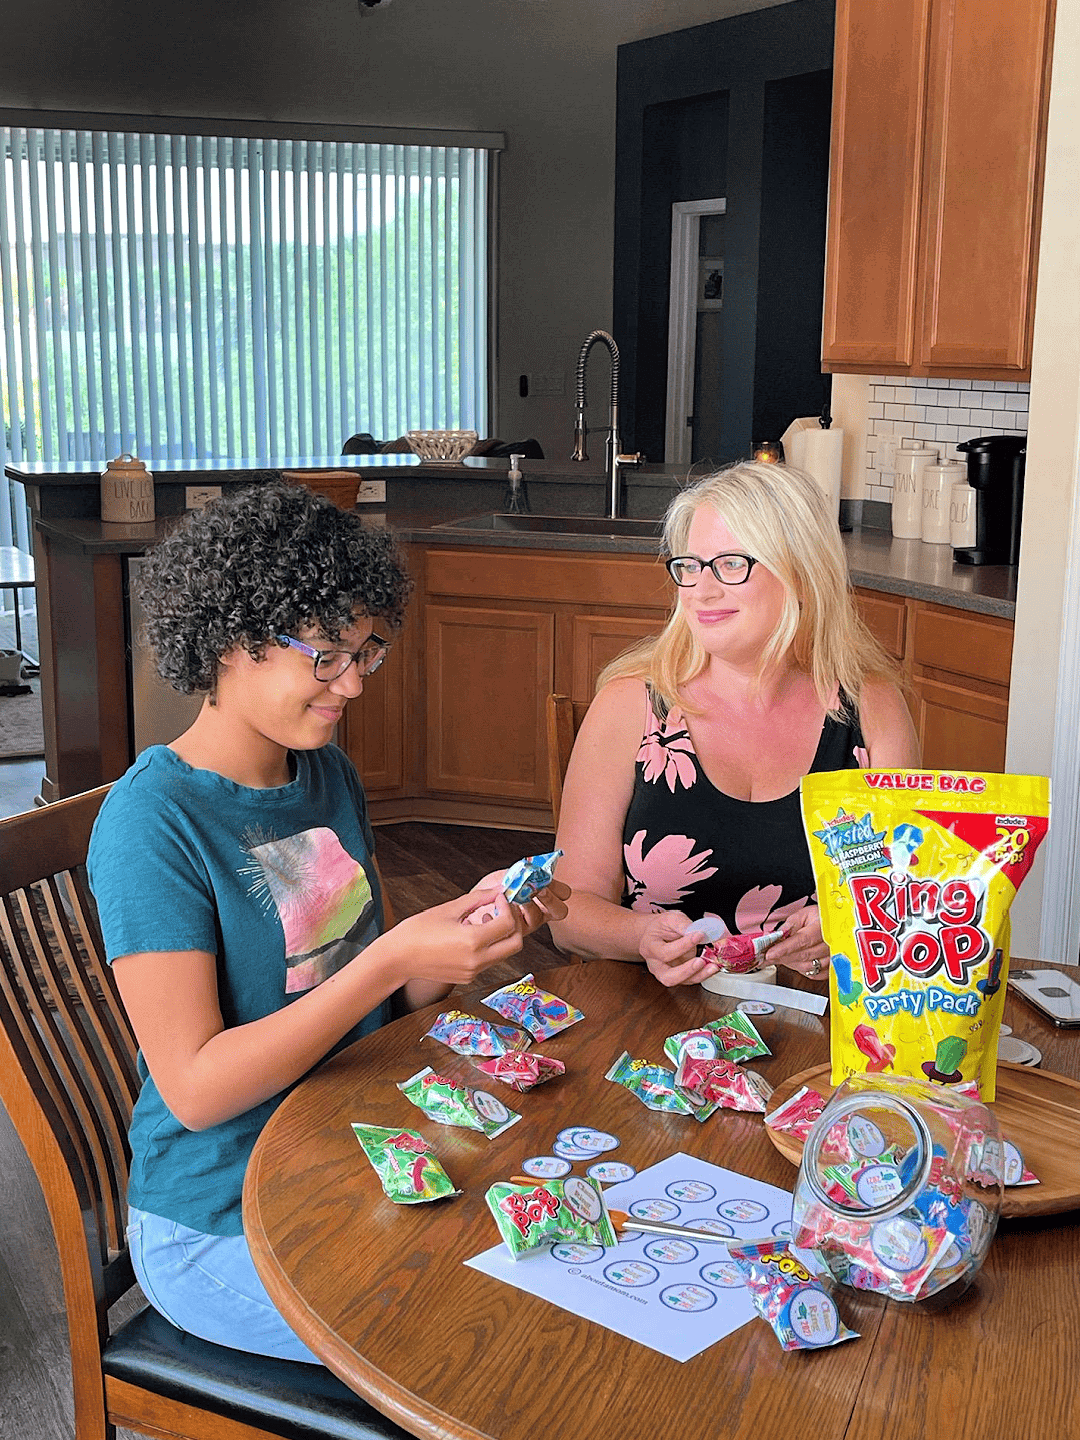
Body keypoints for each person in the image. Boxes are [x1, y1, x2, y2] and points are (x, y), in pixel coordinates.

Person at [88, 480, 567, 1363]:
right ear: (233, 639)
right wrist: (388, 961)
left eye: (366, 652)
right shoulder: (151, 823)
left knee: (552, 1276)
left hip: (350, 1155)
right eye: (326, 655)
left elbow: (360, 992)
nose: (351, 682)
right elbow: (193, 1088)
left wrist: (467, 932)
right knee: (490, 1343)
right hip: (218, 1219)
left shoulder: (325, 775)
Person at [548, 461, 918, 987]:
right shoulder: (632, 706)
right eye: (691, 565)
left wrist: (846, 927)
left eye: (730, 564)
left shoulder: (872, 710)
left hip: (830, 1017)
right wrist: (639, 938)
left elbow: (907, 898)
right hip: (656, 1020)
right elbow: (569, 913)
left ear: (802, 572)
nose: (701, 589)